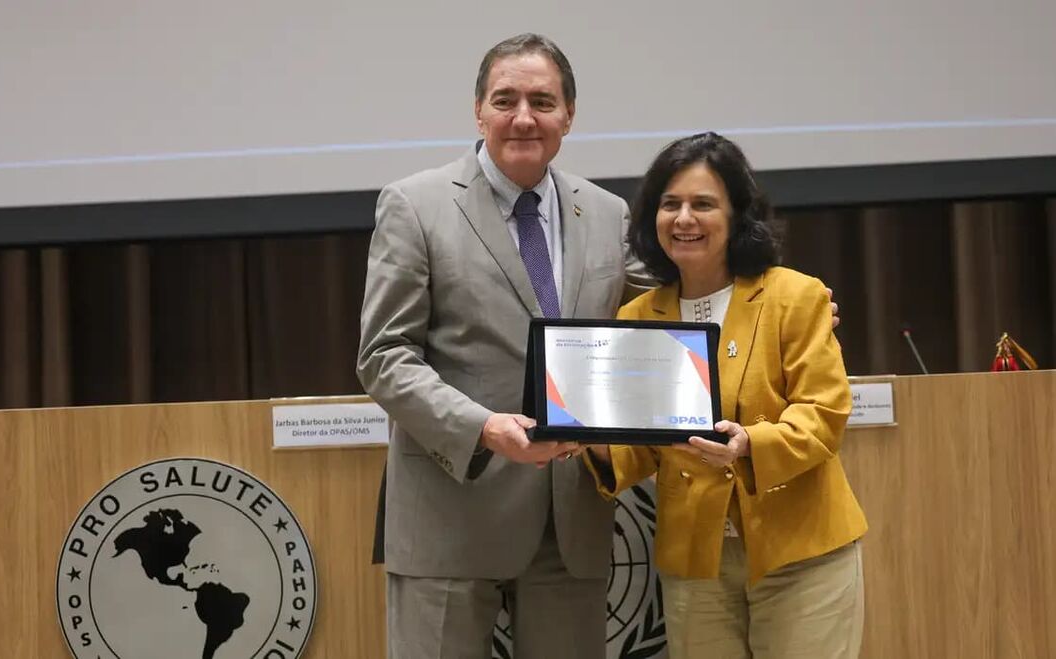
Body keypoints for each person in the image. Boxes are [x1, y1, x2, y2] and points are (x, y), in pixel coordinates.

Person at [357, 33, 652, 658]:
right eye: (506, 99)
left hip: (568, 521)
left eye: (543, 101)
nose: (524, 117)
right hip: (451, 511)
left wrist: (786, 306)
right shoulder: (415, 205)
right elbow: (384, 356)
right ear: (478, 111)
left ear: (569, 115)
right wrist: (485, 428)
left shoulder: (607, 214)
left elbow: (676, 302)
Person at [587, 132, 867, 658]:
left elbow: (824, 414)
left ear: (738, 215)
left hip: (801, 554)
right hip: (696, 563)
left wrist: (748, 444)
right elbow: (641, 446)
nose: (684, 218)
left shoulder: (795, 296)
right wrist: (583, 436)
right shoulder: (637, 317)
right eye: (670, 204)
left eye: (703, 204)